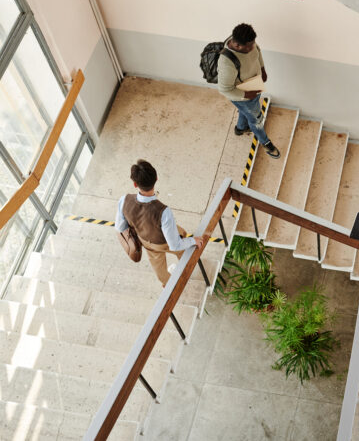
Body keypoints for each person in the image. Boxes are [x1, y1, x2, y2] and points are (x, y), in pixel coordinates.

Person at [114, 160, 203, 286]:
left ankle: (169, 286)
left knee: (160, 270)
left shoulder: (124, 200)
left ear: (135, 184)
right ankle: (188, 265)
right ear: (156, 178)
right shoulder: (164, 212)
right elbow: (175, 245)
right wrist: (193, 240)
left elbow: (120, 227)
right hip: (164, 242)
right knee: (182, 241)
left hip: (146, 242)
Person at [217, 23, 281, 159]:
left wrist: (262, 69)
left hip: (254, 86)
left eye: (253, 43)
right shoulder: (226, 63)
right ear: (237, 45)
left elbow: (258, 51)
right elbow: (224, 89)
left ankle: (240, 128)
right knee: (256, 120)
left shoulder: (247, 41)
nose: (253, 47)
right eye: (249, 46)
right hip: (244, 96)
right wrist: (247, 94)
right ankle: (265, 142)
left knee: (246, 112)